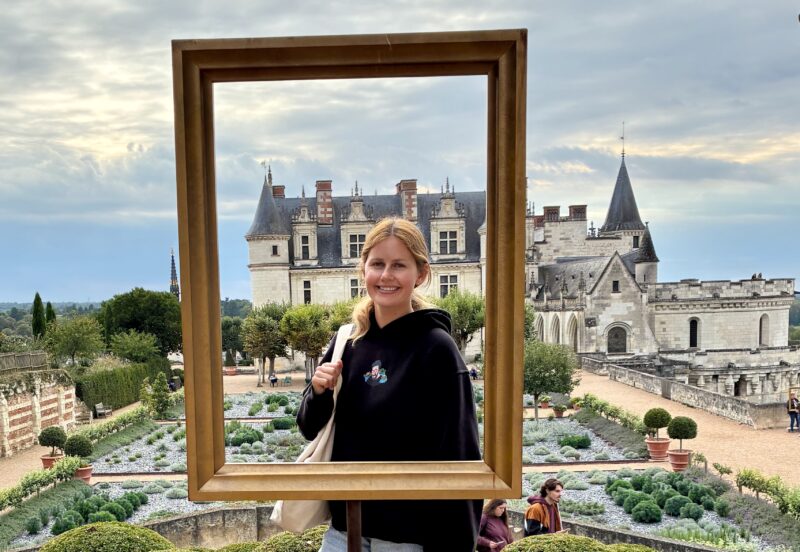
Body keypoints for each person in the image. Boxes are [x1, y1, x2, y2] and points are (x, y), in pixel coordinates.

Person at [297, 217, 482, 552]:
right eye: (377, 264)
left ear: (421, 274)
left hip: (406, 541)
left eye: (399, 265)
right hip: (344, 531)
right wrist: (319, 393)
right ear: (362, 269)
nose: (385, 276)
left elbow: (460, 455)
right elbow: (310, 429)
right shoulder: (348, 341)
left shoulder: (436, 349)